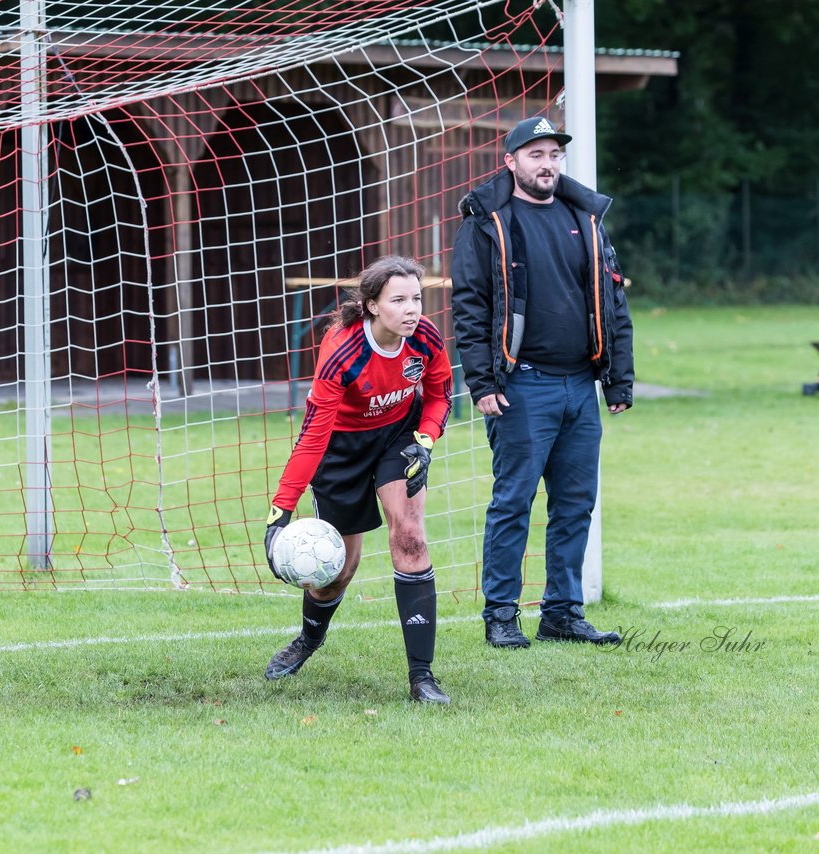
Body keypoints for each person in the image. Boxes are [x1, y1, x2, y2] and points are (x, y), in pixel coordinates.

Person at [450, 116, 633, 649]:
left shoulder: (587, 217)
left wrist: (618, 378)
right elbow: (470, 307)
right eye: (536, 154)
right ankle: (501, 616)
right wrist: (482, 383)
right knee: (514, 502)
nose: (547, 163)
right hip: (521, 387)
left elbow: (613, 300)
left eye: (554, 154)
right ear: (511, 162)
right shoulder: (487, 222)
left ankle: (562, 613)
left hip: (582, 386)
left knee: (576, 504)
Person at [263, 255, 454, 703]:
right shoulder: (341, 349)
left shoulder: (425, 337)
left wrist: (425, 441)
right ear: (371, 305)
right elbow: (313, 435)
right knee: (338, 571)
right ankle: (309, 639)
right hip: (341, 449)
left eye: (417, 299)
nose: (412, 309)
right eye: (399, 300)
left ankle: (422, 677)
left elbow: (440, 393)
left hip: (396, 440)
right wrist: (280, 512)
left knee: (411, 538)